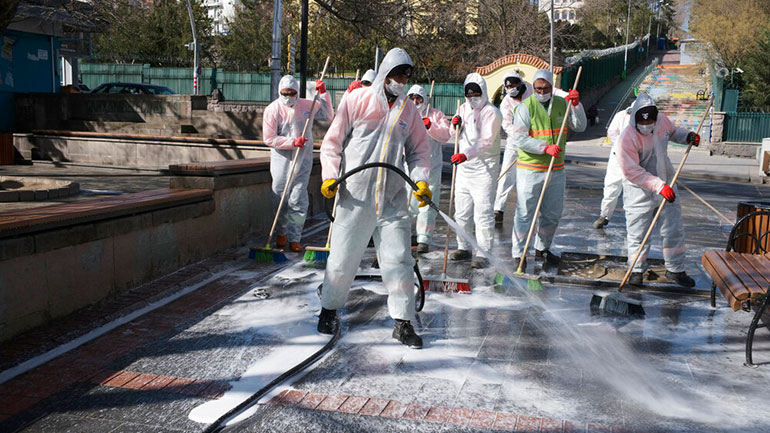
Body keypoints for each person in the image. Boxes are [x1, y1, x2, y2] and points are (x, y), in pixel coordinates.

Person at [316, 48, 432, 349]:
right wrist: (329, 175)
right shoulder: (357, 100)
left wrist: (420, 182)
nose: (402, 81)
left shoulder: (409, 111)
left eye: (407, 76)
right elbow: (332, 143)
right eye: (397, 75)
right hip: (355, 196)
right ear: (385, 73)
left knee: (399, 262)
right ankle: (328, 309)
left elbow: (419, 151)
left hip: (392, 198)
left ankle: (403, 322)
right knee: (342, 259)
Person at [616, 93, 699, 287]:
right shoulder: (626, 138)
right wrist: (658, 186)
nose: (647, 125)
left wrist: (687, 136)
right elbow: (632, 171)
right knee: (638, 233)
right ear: (635, 118)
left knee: (673, 230)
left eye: (651, 120)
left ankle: (675, 269)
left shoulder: (662, 121)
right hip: (639, 191)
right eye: (643, 122)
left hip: (667, 184)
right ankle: (636, 270)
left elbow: (673, 132)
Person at [510, 69, 586, 270]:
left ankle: (542, 248)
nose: (541, 92)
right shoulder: (526, 107)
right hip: (530, 168)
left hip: (556, 169)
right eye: (537, 88)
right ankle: (519, 253)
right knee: (525, 213)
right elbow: (519, 137)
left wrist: (577, 106)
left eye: (545, 88)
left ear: (552, 88)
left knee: (552, 213)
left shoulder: (562, 104)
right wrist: (544, 148)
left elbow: (580, 126)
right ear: (532, 88)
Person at [263, 75, 333, 252]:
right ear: (280, 92)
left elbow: (327, 115)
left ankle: (295, 237)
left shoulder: (306, 105)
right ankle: (281, 233)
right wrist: (292, 142)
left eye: (292, 93)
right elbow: (269, 138)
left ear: (297, 92)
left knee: (298, 199)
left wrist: (323, 94)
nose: (288, 96)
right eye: (285, 93)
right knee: (280, 198)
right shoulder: (272, 110)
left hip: (303, 160)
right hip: (282, 160)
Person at [448, 73, 503, 269]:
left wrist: (466, 154)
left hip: (483, 170)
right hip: (464, 170)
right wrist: (454, 126)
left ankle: (483, 252)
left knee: (483, 213)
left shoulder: (492, 113)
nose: (473, 99)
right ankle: (463, 246)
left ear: (484, 92)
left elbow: (486, 141)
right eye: (469, 95)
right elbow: (449, 135)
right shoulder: (462, 109)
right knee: (461, 212)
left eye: (477, 95)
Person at [406, 85, 452, 253]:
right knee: (407, 201)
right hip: (409, 164)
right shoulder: (405, 112)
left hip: (431, 165)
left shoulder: (436, 115)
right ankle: (408, 233)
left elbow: (446, 135)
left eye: (419, 98)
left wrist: (430, 126)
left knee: (427, 202)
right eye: (412, 98)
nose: (415, 101)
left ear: (425, 99)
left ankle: (424, 239)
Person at [493, 71, 533, 225]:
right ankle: (498, 209)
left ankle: (528, 210)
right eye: (508, 85)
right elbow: (507, 125)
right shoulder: (506, 103)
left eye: (514, 84)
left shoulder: (531, 94)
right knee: (506, 176)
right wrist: (519, 137)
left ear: (520, 83)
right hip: (514, 142)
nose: (512, 88)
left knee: (530, 176)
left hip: (533, 140)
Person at [594, 105, 632, 229]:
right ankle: (604, 215)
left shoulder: (654, 119)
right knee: (611, 187)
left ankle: (633, 219)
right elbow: (612, 133)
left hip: (638, 159)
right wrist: (623, 145)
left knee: (634, 190)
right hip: (618, 156)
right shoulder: (621, 116)